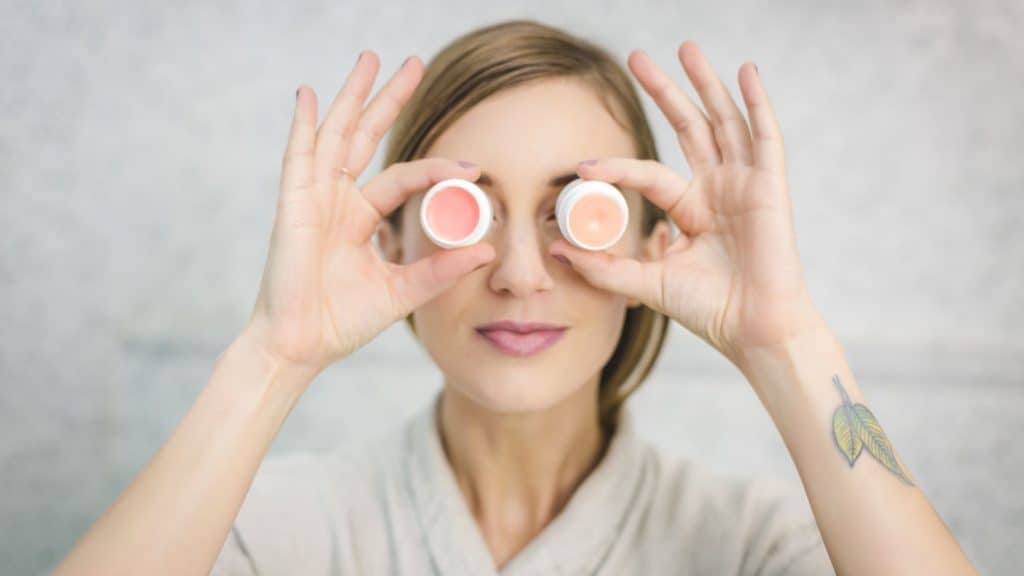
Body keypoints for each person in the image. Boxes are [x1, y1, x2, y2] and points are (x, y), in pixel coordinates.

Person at [53, 19, 979, 576]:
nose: (521, 274)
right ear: (391, 236)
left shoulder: (759, 543)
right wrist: (272, 354)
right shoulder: (269, 532)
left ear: (658, 239)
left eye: (576, 212)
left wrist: (787, 341)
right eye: (469, 211)